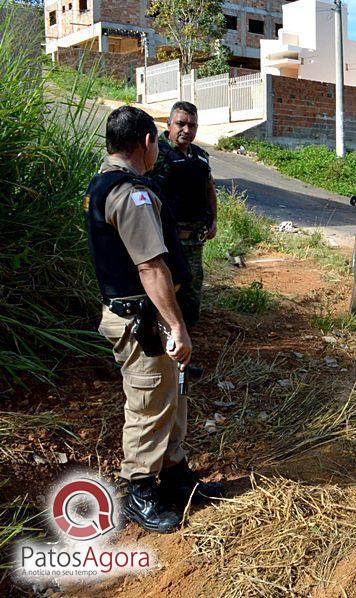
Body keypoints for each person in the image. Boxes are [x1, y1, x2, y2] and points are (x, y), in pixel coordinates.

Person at [85, 106, 222, 534]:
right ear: (147, 141)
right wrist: (177, 326)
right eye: (156, 141)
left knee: (171, 395)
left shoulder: (109, 184)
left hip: (149, 318)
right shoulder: (130, 194)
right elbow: (151, 267)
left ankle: (175, 474)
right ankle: (138, 490)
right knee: (147, 404)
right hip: (142, 321)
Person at [149, 101, 217, 330]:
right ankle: (166, 348)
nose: (187, 130)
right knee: (166, 292)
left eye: (192, 125)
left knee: (191, 292)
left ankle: (185, 351)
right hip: (167, 241)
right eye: (181, 124)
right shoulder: (156, 153)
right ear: (168, 124)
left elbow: (209, 187)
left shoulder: (200, 156)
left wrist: (213, 220)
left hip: (194, 240)